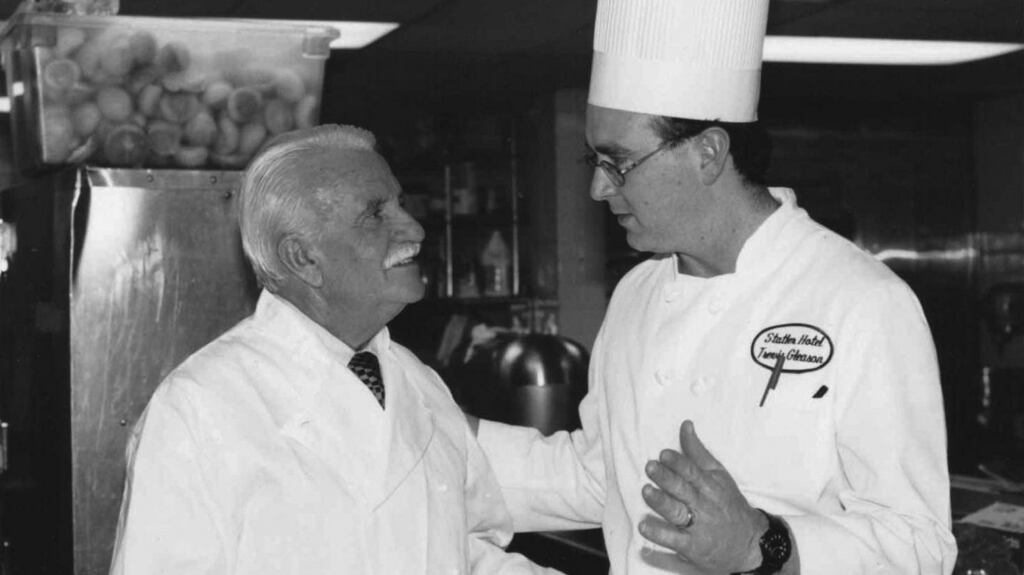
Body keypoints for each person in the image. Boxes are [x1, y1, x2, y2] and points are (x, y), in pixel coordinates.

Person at [472, 1, 957, 573]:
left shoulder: (862, 302)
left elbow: (919, 544)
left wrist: (762, 543)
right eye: (594, 160)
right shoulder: (637, 294)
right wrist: (432, 427)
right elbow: (607, 476)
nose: (599, 189)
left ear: (708, 153)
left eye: (620, 162)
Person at [109, 124, 562, 575]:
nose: (415, 228)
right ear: (303, 259)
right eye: (375, 214)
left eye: (400, 204)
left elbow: (460, 550)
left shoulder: (417, 382)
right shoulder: (199, 405)